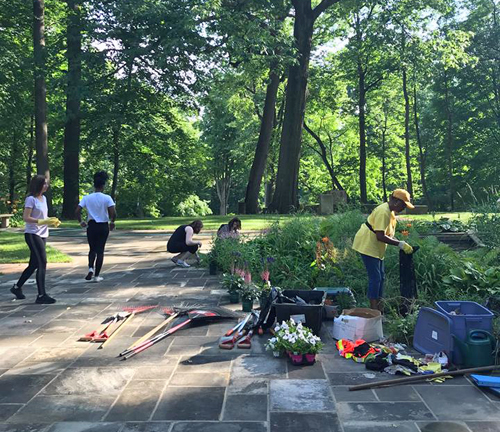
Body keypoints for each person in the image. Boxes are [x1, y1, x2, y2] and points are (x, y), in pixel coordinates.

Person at [352, 189, 414, 311]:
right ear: (396, 201)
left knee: (381, 277)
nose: (404, 208)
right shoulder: (383, 212)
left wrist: (400, 242)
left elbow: (388, 234)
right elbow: (380, 236)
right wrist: (400, 244)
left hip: (376, 247)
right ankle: (374, 311)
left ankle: (379, 308)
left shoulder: (390, 212)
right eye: (404, 205)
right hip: (367, 245)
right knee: (375, 278)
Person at [10, 175, 61, 304]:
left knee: (34, 264)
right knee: (42, 263)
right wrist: (42, 221)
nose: (46, 186)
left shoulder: (43, 198)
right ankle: (41, 295)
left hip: (43, 234)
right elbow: (26, 218)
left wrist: (51, 220)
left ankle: (17, 287)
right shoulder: (31, 199)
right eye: (44, 184)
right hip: (33, 234)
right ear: (38, 185)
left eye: (47, 184)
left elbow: (43, 216)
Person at [75, 171, 116, 282]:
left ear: (94, 185)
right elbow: (113, 211)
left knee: (92, 249)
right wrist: (112, 222)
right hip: (103, 225)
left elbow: (77, 210)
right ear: (103, 186)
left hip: (91, 225)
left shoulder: (87, 198)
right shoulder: (107, 198)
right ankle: (97, 276)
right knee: (100, 250)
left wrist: (81, 221)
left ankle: (90, 268)